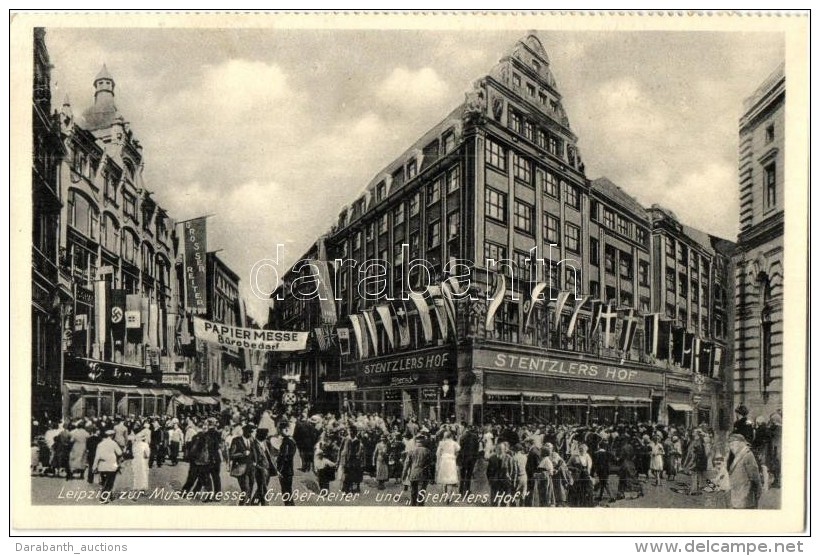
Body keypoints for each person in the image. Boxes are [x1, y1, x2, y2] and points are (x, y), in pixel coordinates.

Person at [727, 433, 762, 509]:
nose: (731, 448)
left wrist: (758, 491)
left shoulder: (748, 455)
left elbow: (755, 477)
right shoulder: (738, 455)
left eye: (733, 444)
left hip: (745, 496)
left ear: (741, 443)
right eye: (730, 445)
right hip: (738, 496)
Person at [229, 423, 257, 505]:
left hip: (251, 468)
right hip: (241, 468)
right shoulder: (236, 440)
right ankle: (241, 506)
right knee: (245, 489)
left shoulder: (252, 440)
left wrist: (255, 462)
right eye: (250, 432)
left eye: (252, 432)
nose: (252, 434)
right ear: (245, 432)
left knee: (250, 489)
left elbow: (255, 452)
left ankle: (246, 506)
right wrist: (242, 453)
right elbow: (231, 455)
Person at [402, 433, 433, 506]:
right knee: (421, 492)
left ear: (416, 442)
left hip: (413, 474)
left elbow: (406, 464)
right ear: (423, 442)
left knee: (413, 492)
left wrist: (404, 475)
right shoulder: (427, 451)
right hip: (423, 474)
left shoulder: (411, 451)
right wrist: (431, 476)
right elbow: (430, 465)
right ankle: (420, 506)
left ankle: (413, 506)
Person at [92, 430, 122, 503]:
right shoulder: (113, 443)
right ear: (112, 435)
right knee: (109, 482)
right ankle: (103, 498)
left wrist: (94, 466)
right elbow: (119, 452)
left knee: (104, 481)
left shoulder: (100, 444)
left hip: (102, 466)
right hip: (111, 465)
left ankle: (110, 495)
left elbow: (97, 456)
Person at [251, 428, 275, 506]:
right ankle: (265, 505)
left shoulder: (266, 443)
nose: (267, 436)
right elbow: (252, 459)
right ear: (261, 435)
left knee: (261, 487)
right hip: (259, 469)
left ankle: (254, 502)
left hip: (267, 469)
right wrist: (259, 467)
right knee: (263, 487)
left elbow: (270, 456)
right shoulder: (253, 444)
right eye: (266, 434)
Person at [276, 420, 297, 506]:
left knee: (286, 491)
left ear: (286, 429)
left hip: (285, 470)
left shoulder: (286, 442)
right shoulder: (292, 441)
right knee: (288, 491)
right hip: (289, 470)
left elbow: (283, 458)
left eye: (281, 430)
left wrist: (279, 470)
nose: (280, 432)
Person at [339, 425, 365, 493]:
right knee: (345, 474)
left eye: (352, 431)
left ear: (355, 432)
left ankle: (349, 488)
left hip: (353, 460)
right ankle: (344, 488)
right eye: (350, 431)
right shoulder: (345, 439)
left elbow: (358, 451)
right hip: (345, 459)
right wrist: (339, 460)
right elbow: (340, 449)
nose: (351, 432)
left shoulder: (357, 441)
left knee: (351, 474)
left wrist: (358, 458)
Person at [435, 430, 460, 500]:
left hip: (444, 460)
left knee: (444, 478)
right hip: (451, 460)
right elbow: (458, 451)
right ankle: (448, 496)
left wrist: (438, 462)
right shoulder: (454, 443)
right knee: (450, 479)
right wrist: (454, 456)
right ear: (451, 436)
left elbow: (438, 453)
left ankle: (445, 494)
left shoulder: (441, 443)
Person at [568, 443, 594, 507]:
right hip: (577, 476)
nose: (581, 451)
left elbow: (590, 467)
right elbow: (568, 465)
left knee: (588, 490)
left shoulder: (588, 456)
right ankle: (577, 504)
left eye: (583, 449)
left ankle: (587, 504)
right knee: (578, 490)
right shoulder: (574, 456)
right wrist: (574, 468)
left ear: (586, 450)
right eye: (580, 449)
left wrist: (588, 473)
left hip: (586, 475)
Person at [457, 425, 480, 494]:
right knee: (469, 475)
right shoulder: (475, 437)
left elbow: (459, 448)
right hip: (471, 458)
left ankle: (461, 490)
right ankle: (467, 490)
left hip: (463, 458)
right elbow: (477, 448)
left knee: (462, 474)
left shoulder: (462, 437)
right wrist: (475, 458)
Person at [689, 431, 709, 495]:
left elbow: (699, 453)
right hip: (698, 461)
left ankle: (694, 490)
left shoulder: (698, 442)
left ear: (697, 435)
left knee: (694, 475)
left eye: (694, 433)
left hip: (697, 461)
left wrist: (694, 459)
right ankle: (696, 490)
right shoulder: (699, 441)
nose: (692, 434)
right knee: (696, 475)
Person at [131, 428, 151, 493]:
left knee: (136, 473)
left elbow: (133, 453)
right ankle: (143, 488)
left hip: (135, 460)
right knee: (143, 474)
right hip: (143, 461)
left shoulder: (134, 445)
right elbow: (147, 454)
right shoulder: (145, 445)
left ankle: (136, 487)